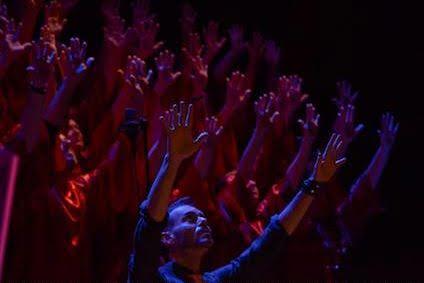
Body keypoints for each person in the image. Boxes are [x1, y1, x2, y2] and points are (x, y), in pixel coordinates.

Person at [128, 102, 347, 282]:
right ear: (167, 238)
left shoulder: (216, 280)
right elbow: (149, 225)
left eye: (202, 217)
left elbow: (270, 241)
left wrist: (313, 183)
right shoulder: (150, 278)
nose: (202, 222)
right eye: (190, 219)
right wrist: (172, 161)